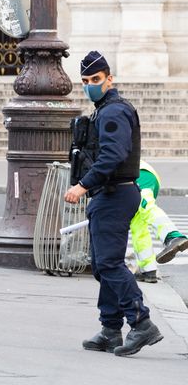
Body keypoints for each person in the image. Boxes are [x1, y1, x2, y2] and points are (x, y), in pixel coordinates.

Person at [65, 51, 162, 357]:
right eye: (85, 81)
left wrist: (82, 186)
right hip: (110, 194)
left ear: (110, 79)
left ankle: (141, 323)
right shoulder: (104, 110)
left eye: (95, 79)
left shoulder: (113, 112)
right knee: (103, 264)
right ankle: (110, 329)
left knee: (109, 264)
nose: (90, 85)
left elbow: (113, 155)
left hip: (115, 193)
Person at [130, 160, 188, 283]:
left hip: (140, 174)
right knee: (138, 227)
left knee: (145, 205)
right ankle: (148, 270)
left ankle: (172, 236)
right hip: (131, 178)